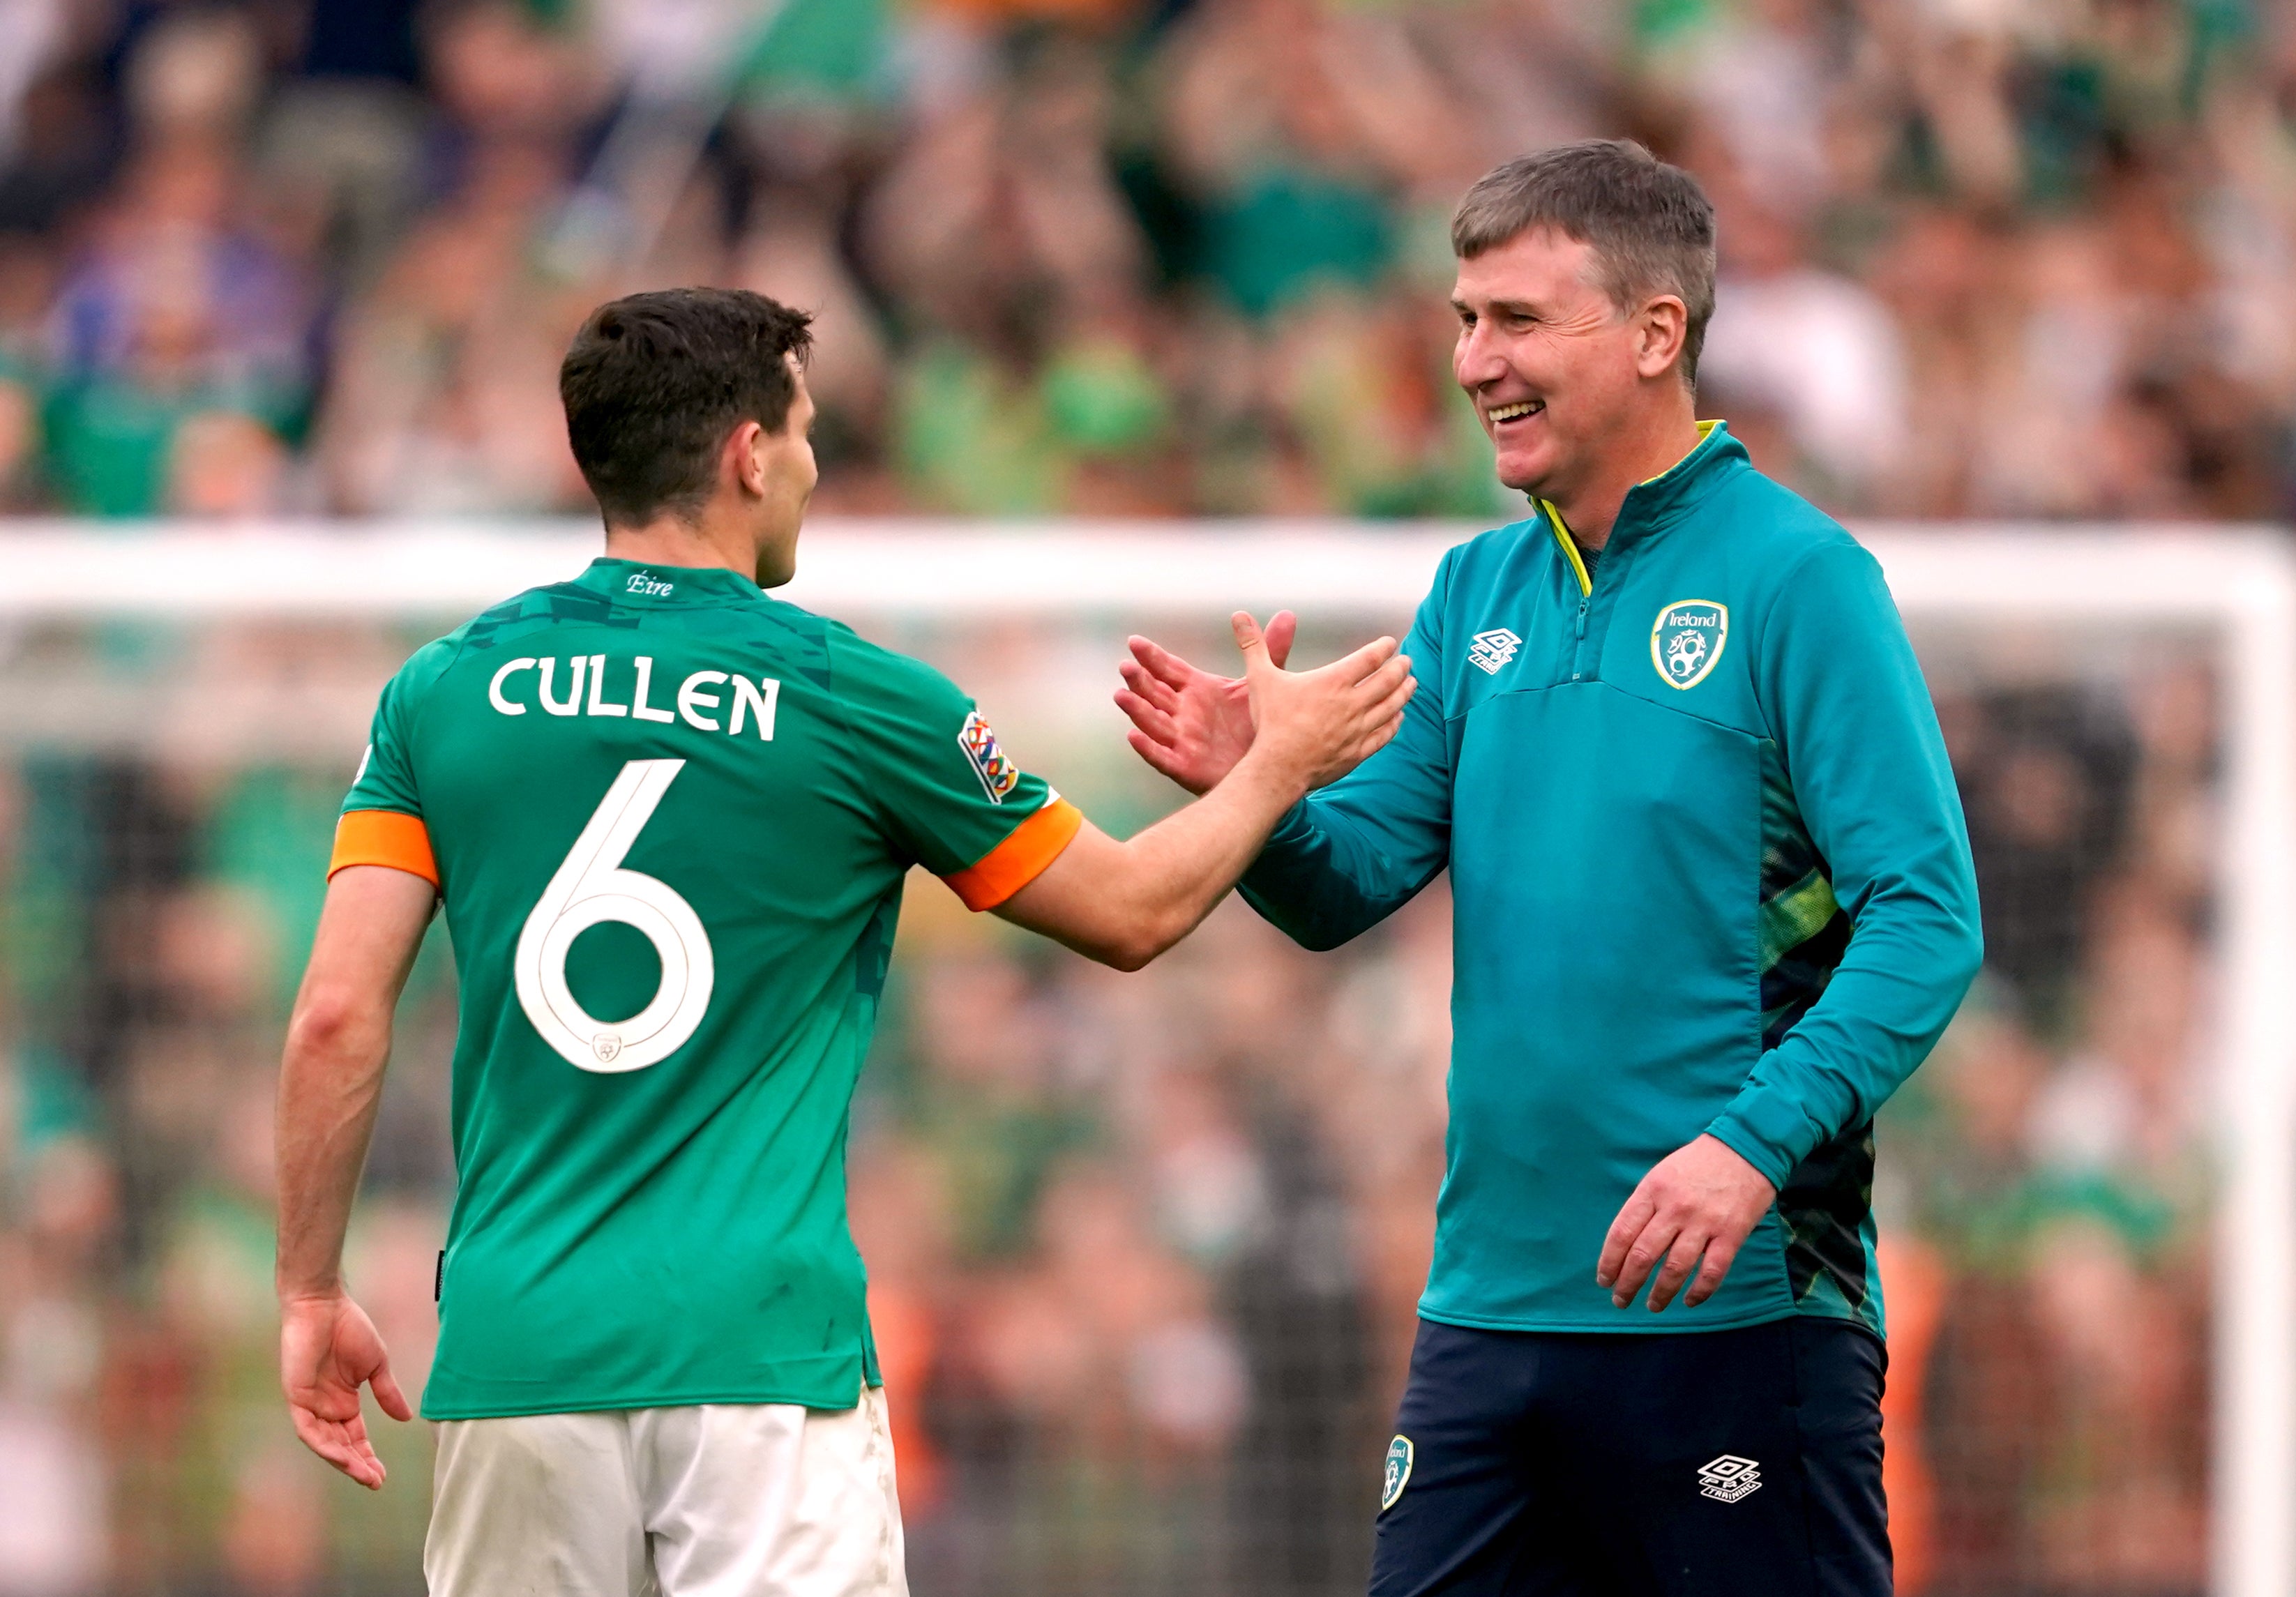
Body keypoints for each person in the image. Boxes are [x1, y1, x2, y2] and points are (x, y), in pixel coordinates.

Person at [273, 287, 1414, 1596]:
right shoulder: (856, 697)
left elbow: (335, 1019)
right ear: (747, 454)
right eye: (806, 433)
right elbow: (1133, 910)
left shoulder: (442, 691)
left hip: (516, 1352)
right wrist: (1276, 771)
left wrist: (310, 1286)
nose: (813, 468)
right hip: (762, 1358)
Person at [1114, 140, 1981, 1596]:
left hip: (1738, 1317)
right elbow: (1354, 877)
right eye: (1463, 319)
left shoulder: (1796, 578)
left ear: (1653, 333)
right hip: (1489, 1314)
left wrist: (1745, 1148)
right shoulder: (1475, 588)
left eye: (1515, 319)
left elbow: (1926, 914)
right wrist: (1255, 789)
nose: (1472, 360)